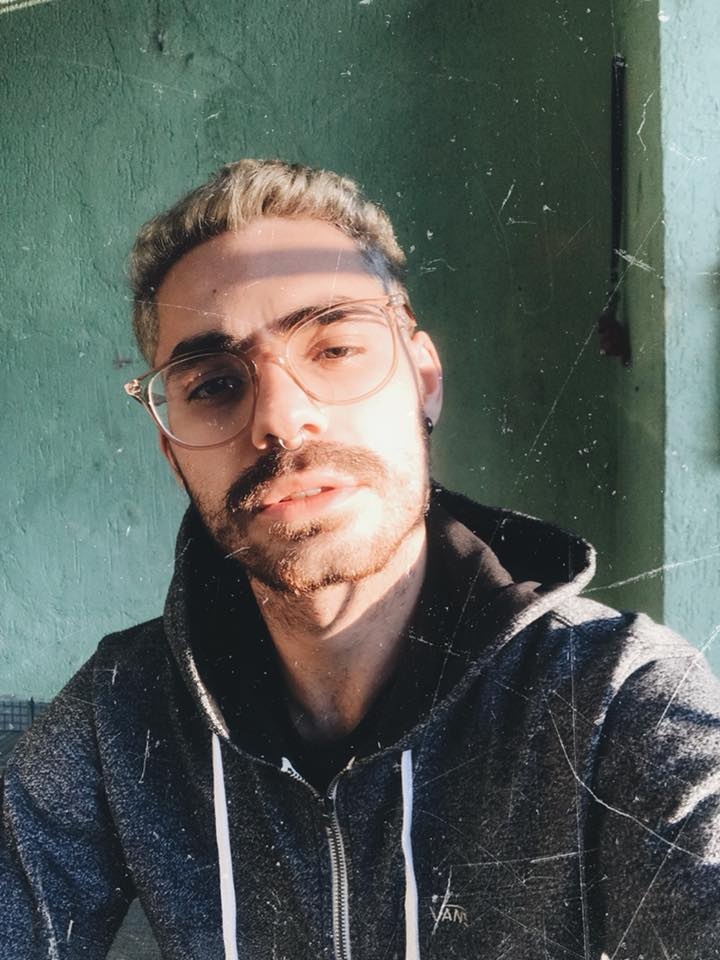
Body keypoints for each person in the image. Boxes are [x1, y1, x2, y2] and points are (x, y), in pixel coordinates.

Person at [2, 159, 720, 960]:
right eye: (212, 385)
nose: (280, 419)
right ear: (174, 454)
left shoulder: (621, 697)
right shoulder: (121, 712)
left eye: (335, 347)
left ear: (423, 379)